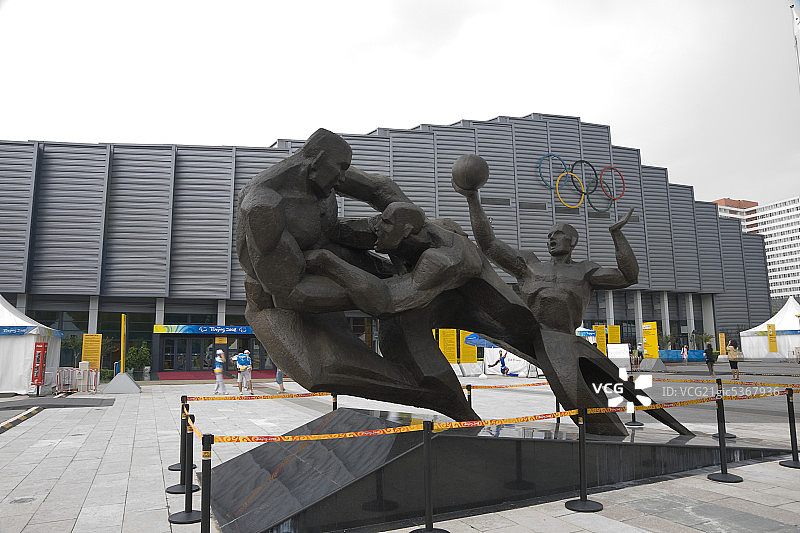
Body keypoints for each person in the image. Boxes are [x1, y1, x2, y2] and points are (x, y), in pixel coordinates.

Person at [455, 161, 691, 436]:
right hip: (525, 333)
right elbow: (489, 244)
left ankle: (670, 430)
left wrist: (617, 236)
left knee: (617, 399)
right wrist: (472, 198)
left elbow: (629, 276)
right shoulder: (529, 264)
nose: (551, 239)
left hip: (563, 340)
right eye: (549, 236)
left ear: (573, 241)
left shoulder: (585, 271)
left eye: (558, 234)